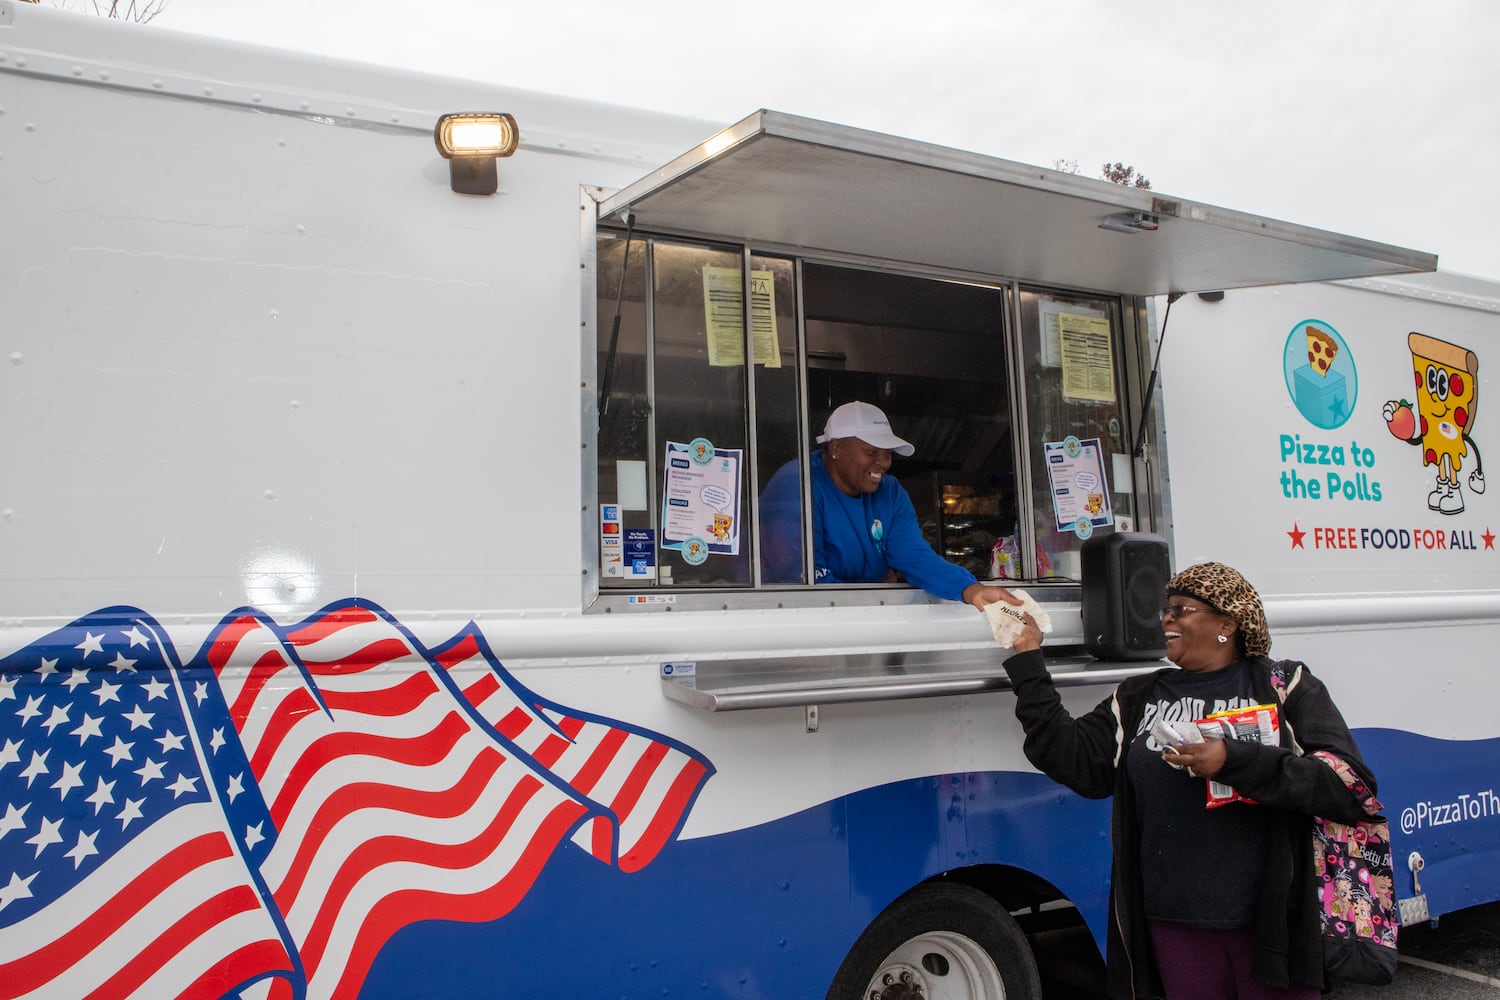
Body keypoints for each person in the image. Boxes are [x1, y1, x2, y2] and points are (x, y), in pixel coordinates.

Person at [999, 561, 1376, 1000]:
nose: (1166, 619)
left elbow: (1349, 785)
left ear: (1227, 623)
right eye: (1165, 610)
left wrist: (1233, 760)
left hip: (1271, 922)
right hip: (1172, 922)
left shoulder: (1282, 685)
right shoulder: (1139, 696)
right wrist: (1028, 659)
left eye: (1181, 609)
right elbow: (1072, 759)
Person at [760, 400, 1014, 610]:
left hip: (866, 622)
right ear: (836, 447)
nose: (883, 462)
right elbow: (801, 580)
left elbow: (913, 555)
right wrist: (877, 586)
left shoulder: (890, 491)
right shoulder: (797, 485)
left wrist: (971, 590)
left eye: (888, 453)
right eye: (872, 452)